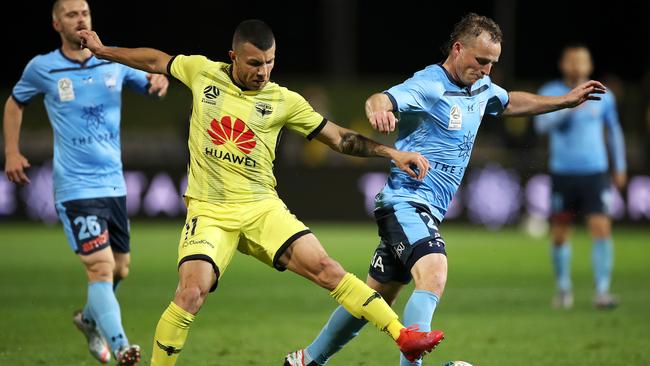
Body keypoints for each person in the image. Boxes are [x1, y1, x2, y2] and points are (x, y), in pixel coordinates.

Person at [77, 19, 444, 366]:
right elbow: (157, 60)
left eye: (269, 62)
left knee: (327, 268)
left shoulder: (285, 100)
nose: (263, 71)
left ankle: (402, 334)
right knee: (190, 293)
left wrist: (392, 153)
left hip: (261, 208)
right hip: (210, 211)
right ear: (233, 56)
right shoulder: (201, 71)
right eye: (254, 63)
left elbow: (340, 138)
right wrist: (104, 50)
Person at [284, 13, 607, 366]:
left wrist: (565, 100)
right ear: (458, 49)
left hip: (426, 208)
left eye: (492, 64)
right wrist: (379, 111)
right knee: (434, 270)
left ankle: (307, 360)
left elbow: (510, 101)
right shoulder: (430, 84)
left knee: (376, 298)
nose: (486, 70)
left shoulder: (482, 88)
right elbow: (382, 99)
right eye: (480, 60)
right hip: (405, 202)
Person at [2, 0, 169, 364]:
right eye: (72, 14)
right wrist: (12, 152)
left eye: (85, 13)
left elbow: (152, 83)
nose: (80, 19)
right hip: (75, 186)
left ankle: (89, 320)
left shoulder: (113, 61)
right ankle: (122, 345)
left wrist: (159, 81)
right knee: (101, 268)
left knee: (121, 268)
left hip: (114, 184)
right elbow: (15, 104)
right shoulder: (42, 68)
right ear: (56, 24)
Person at [534, 44, 626, 309]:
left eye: (582, 61)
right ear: (563, 64)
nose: (577, 66)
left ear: (589, 66)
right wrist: (568, 106)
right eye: (572, 61)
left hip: (595, 173)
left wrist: (619, 166)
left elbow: (615, 131)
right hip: (563, 173)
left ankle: (602, 291)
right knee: (561, 232)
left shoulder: (603, 95)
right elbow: (541, 125)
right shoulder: (551, 92)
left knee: (601, 229)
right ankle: (563, 290)